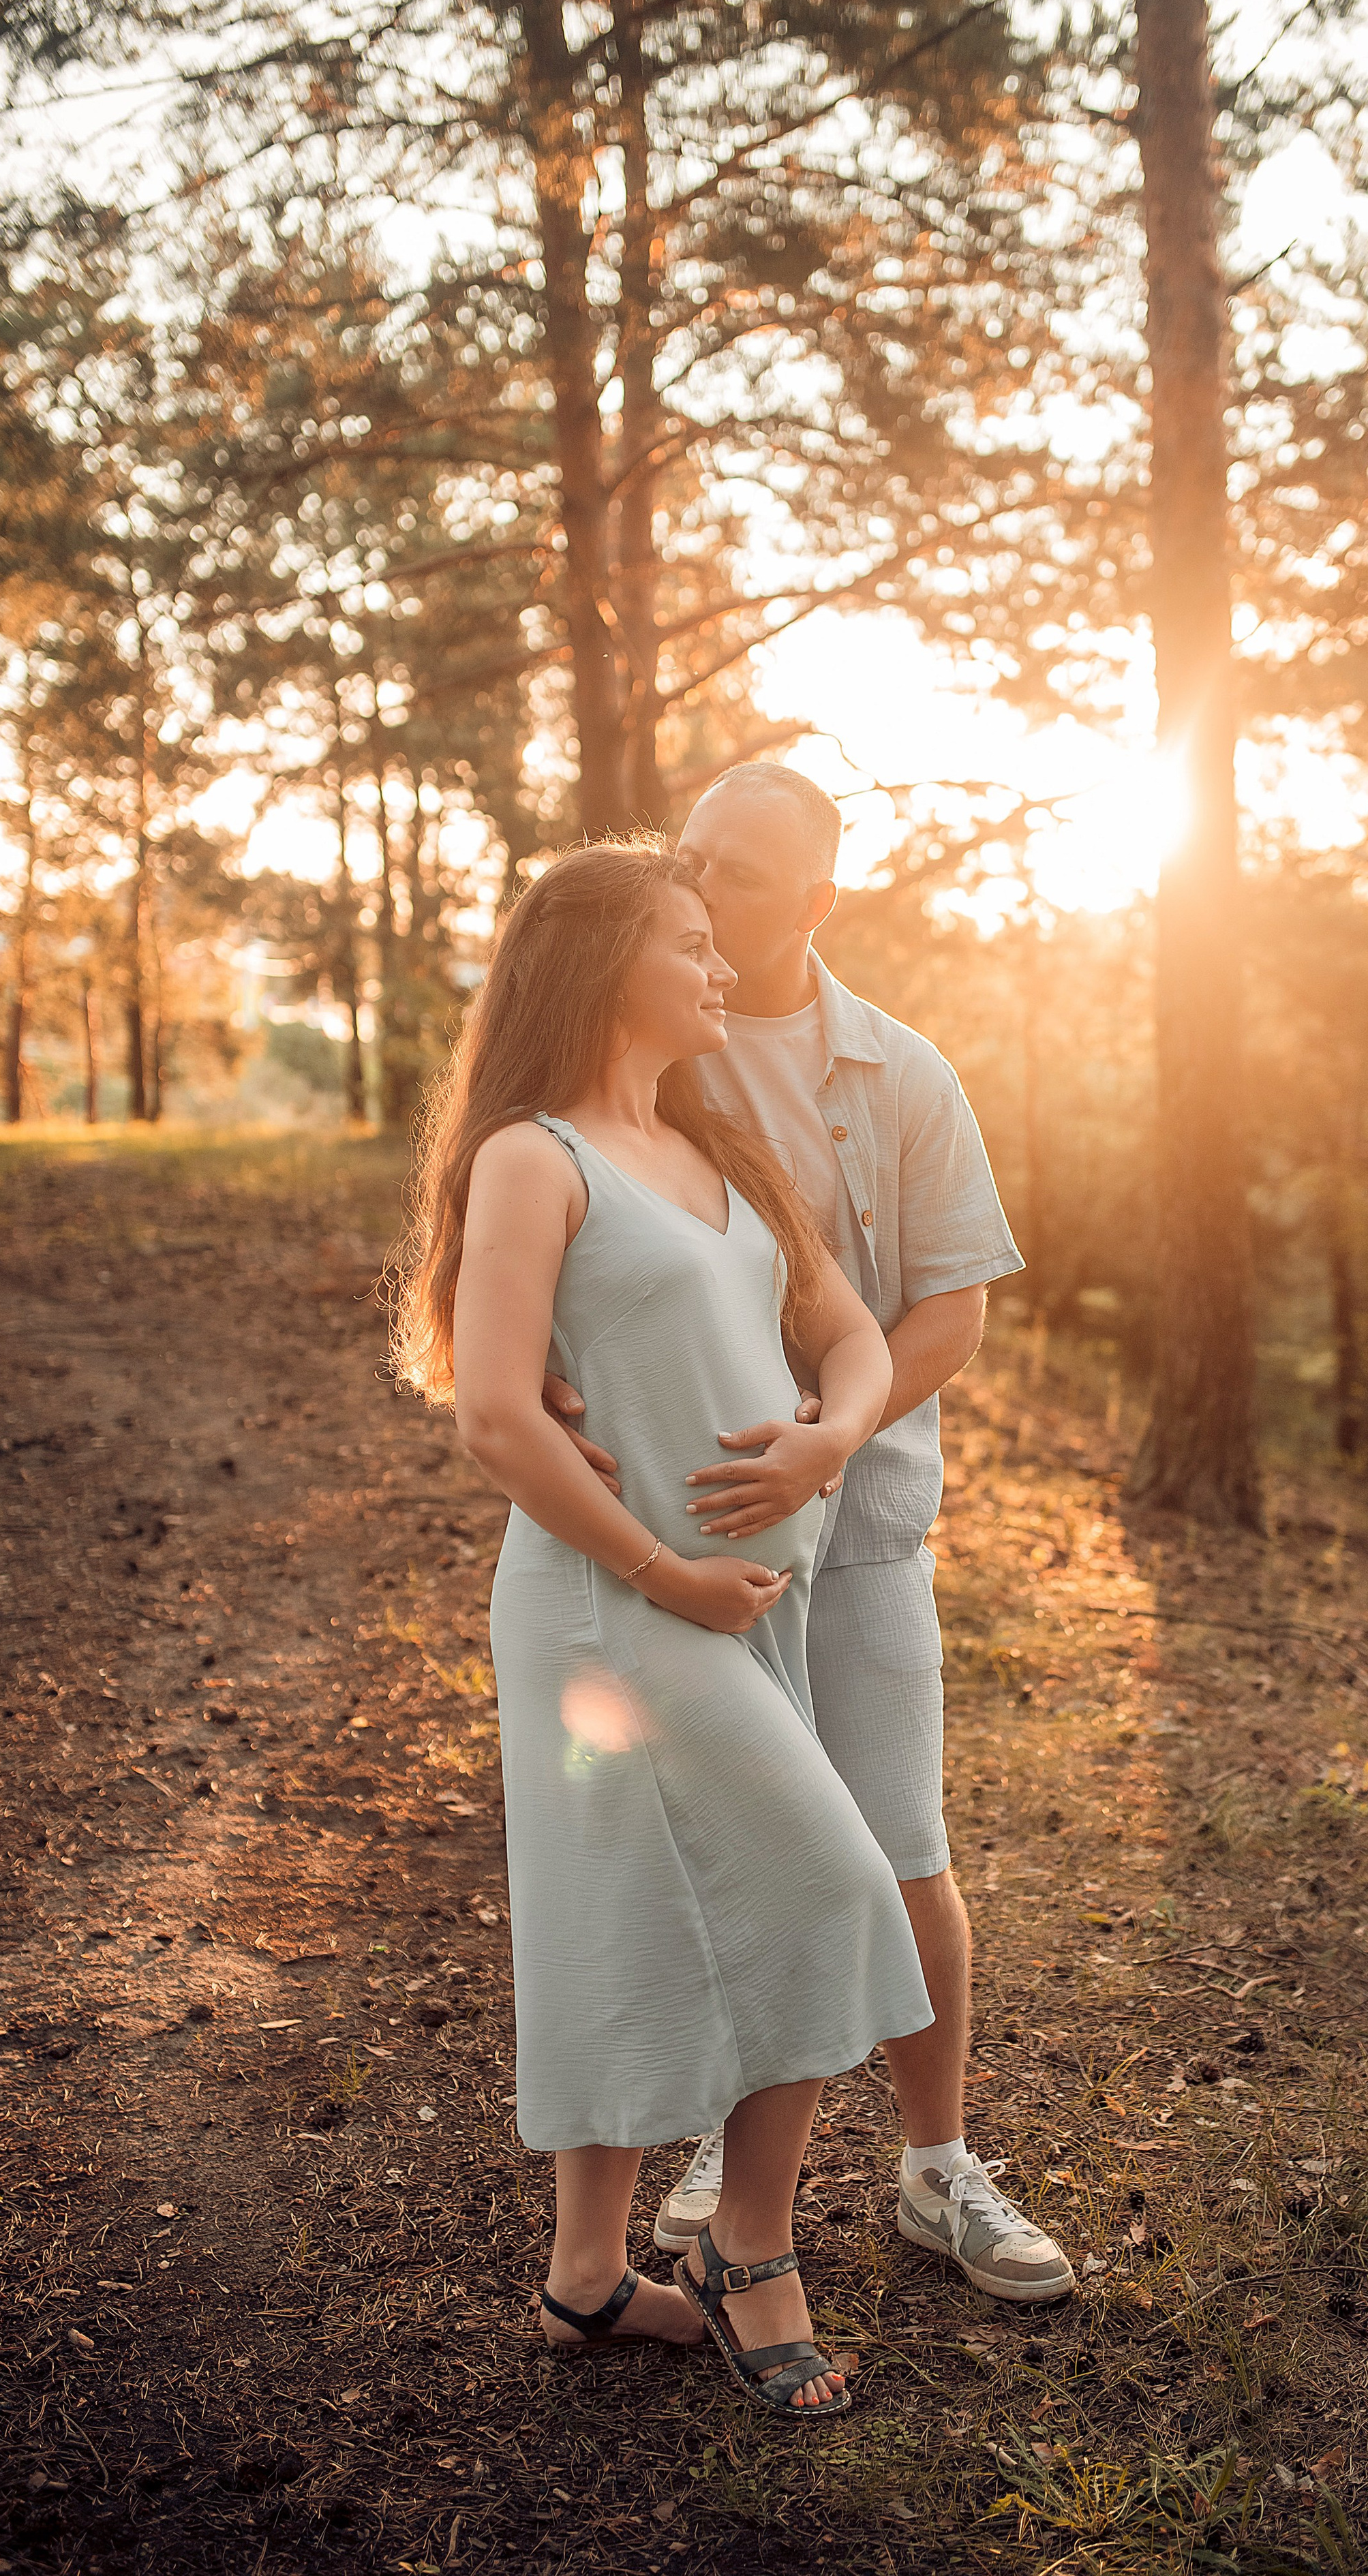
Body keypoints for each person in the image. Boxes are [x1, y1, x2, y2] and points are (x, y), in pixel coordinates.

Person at [395, 840, 933, 2419]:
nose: (720, 967)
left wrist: (829, 1439)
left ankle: (583, 2277)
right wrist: (663, 1571)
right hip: (613, 1610)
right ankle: (750, 2250)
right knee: (835, 1888)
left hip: (737, 1605)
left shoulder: (718, 1147)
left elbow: (851, 1338)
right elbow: (498, 1414)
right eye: (688, 943)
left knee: (628, 1917)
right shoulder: (533, 1157)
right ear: (599, 965)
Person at [546, 762, 1075, 2305]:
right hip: (681, 1528)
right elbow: (550, 1227)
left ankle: (935, 2164)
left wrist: (828, 1444)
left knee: (895, 1843)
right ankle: (733, 2149)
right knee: (718, 1845)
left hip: (861, 1526)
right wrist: (552, 1382)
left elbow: (951, 1310)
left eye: (745, 874)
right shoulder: (644, 1049)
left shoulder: (901, 1075)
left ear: (818, 902)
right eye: (692, 856)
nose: (707, 889)